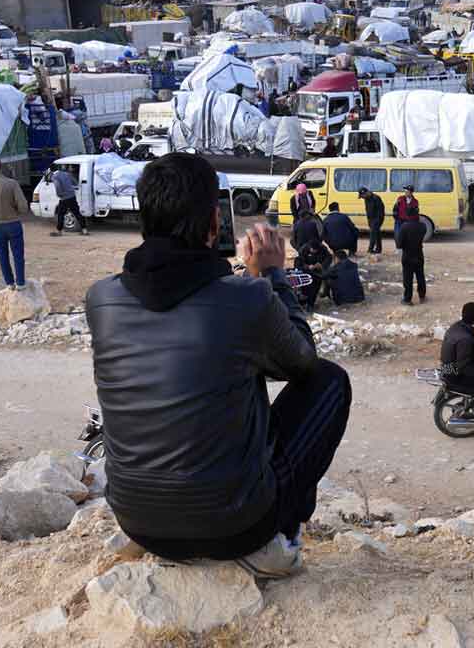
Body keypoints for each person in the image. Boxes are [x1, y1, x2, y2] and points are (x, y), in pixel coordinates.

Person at [86, 152, 352, 577]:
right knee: (331, 381)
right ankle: (280, 535)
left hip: (137, 521)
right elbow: (303, 362)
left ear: (143, 219)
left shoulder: (101, 299)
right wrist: (272, 275)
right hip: (237, 528)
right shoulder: (245, 298)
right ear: (214, 222)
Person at [0, 155, 29, 290]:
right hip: (13, 223)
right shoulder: (12, 183)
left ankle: (9, 283)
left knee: (2, 255)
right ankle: (20, 283)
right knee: (18, 255)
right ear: (1, 165)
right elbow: (23, 207)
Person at [440, 302, 474, 394]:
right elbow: (464, 366)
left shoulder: (456, 326)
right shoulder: (466, 339)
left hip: (447, 368)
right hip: (454, 375)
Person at [395, 205, 427, 305]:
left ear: (407, 214)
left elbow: (399, 244)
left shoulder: (404, 227)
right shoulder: (423, 226)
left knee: (408, 278)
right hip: (419, 254)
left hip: (407, 256)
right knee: (420, 276)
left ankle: (407, 299)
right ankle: (422, 296)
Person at [294, 238, 330, 313]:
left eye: (315, 250)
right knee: (305, 286)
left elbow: (328, 258)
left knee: (315, 286)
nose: (314, 251)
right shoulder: (303, 249)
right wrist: (307, 266)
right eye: (312, 250)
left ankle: (311, 304)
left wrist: (322, 265)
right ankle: (303, 302)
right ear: (309, 247)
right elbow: (298, 263)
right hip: (305, 272)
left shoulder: (323, 249)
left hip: (318, 272)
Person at [50, 165, 88, 236]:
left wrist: (59, 194)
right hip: (72, 196)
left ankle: (59, 231)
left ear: (51, 171)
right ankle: (84, 230)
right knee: (77, 213)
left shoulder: (55, 176)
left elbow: (57, 186)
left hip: (64, 198)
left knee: (61, 214)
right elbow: (75, 182)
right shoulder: (67, 174)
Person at [360, 186, 385, 254]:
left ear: (366, 193)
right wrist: (369, 220)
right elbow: (367, 210)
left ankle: (370, 249)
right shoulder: (366, 199)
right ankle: (378, 249)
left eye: (362, 196)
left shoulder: (376, 198)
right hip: (371, 219)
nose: (362, 198)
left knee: (373, 234)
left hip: (377, 219)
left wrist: (378, 220)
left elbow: (381, 210)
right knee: (377, 234)